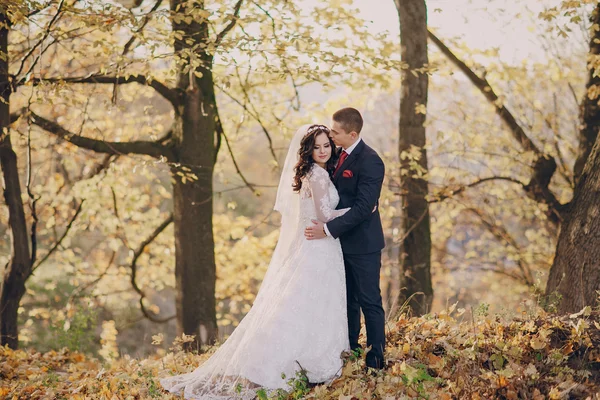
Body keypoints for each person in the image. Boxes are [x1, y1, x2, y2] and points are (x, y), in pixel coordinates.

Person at [160, 124, 351, 399]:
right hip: (318, 247)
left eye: (326, 146)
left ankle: (302, 358)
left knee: (305, 304)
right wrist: (357, 210)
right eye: (317, 147)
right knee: (312, 302)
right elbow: (324, 215)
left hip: (314, 246)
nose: (323, 151)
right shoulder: (318, 176)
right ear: (308, 151)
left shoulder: (312, 173)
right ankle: (307, 362)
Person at [305, 107, 386, 370]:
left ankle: (376, 356)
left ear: (352, 134)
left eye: (335, 132)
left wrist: (327, 230)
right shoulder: (336, 153)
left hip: (363, 245)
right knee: (347, 299)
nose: (330, 135)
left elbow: (364, 208)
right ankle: (351, 348)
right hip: (339, 245)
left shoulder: (371, 161)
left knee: (369, 300)